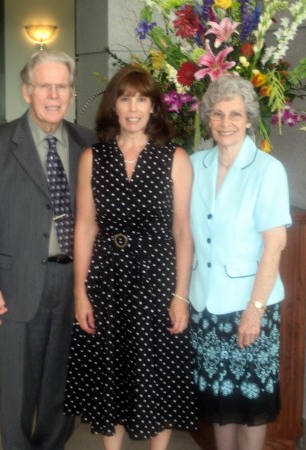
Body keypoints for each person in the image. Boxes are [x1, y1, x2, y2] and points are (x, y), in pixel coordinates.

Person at [63, 65, 198, 450]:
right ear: (114, 105)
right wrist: (80, 293)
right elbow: (86, 228)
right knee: (110, 373)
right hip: (106, 281)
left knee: (156, 374)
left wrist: (181, 295)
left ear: (155, 107)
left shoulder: (175, 158)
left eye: (143, 99)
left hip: (157, 283)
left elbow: (183, 232)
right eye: (125, 98)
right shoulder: (93, 157)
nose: (134, 107)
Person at [0, 50, 97, 449]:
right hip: (14, 286)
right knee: (18, 391)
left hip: (73, 285)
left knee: (61, 389)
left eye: (62, 86)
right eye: (45, 86)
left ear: (73, 93)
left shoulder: (88, 143)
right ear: (27, 91)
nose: (54, 95)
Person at [189, 74, 292, 450]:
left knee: (251, 401)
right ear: (208, 119)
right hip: (204, 305)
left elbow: (275, 246)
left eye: (235, 114)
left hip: (250, 305)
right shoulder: (194, 164)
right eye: (217, 114)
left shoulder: (268, 170)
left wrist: (255, 309)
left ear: (249, 119)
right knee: (219, 401)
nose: (225, 123)